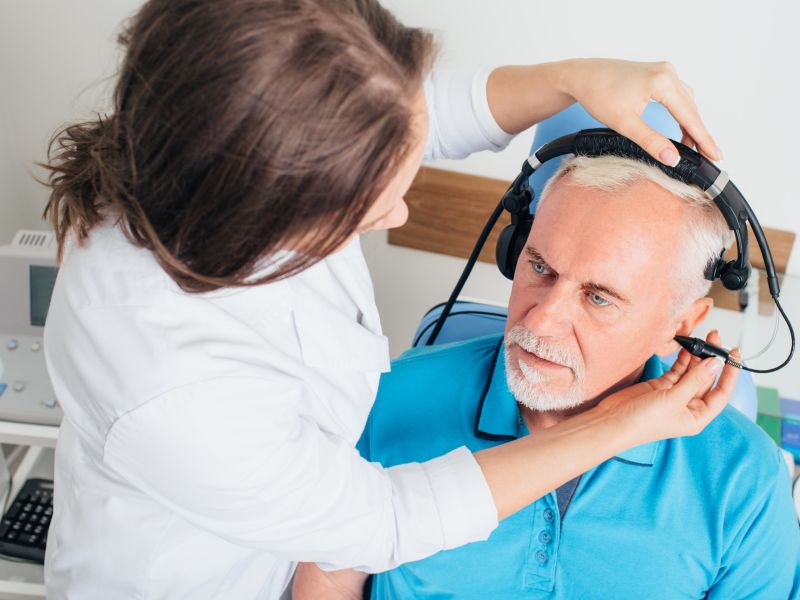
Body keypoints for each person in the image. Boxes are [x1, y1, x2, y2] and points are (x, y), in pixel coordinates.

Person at [40, 0, 734, 598]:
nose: (399, 216)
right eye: (370, 203)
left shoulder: (214, 155)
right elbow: (387, 523)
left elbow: (408, 115)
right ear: (271, 207)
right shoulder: (171, 384)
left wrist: (567, 79)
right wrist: (622, 426)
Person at [293, 154, 800, 599]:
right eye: (540, 268)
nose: (539, 321)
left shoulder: (743, 476)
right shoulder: (384, 399)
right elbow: (331, 581)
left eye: (598, 297)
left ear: (681, 326)